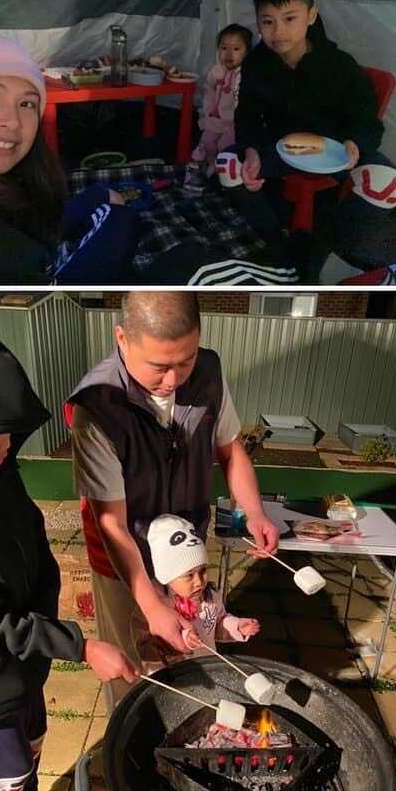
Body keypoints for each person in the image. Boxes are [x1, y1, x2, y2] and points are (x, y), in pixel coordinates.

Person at [0, 323, 139, 791]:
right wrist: (82, 647)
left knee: (33, 748)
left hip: (28, 665)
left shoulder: (0, 470)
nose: (8, 443)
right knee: (9, 780)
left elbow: (35, 546)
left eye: (9, 428)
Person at [67, 291, 278, 711]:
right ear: (122, 338)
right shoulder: (97, 407)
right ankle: (127, 748)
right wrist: (150, 600)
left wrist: (252, 510)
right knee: (136, 668)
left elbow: (231, 449)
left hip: (187, 550)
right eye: (160, 366)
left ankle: (189, 724)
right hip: (123, 562)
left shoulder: (209, 372)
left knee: (191, 651)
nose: (174, 380)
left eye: (186, 360)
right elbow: (112, 522)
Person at [227, 0, 396, 270]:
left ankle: (325, 243)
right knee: (226, 166)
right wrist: (252, 149)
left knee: (389, 182)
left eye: (289, 18)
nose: (278, 31)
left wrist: (355, 143)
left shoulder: (338, 65)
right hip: (280, 148)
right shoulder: (258, 64)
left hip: (335, 152)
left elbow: (366, 120)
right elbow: (246, 114)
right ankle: (277, 238)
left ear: (311, 16)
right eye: (267, 21)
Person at [0, 33, 140, 285]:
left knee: (106, 201)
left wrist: (100, 198)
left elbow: (36, 220)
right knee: (126, 222)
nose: (12, 120)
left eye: (27, 104)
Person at [136, 514, 260, 672]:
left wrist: (236, 626)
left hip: (208, 666)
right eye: (189, 575)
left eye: (203, 571)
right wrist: (184, 638)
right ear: (167, 575)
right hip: (178, 675)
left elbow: (217, 623)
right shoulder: (162, 607)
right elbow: (155, 646)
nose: (199, 581)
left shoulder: (210, 598)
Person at [184, 24, 252, 192]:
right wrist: (206, 115)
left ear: (246, 51)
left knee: (225, 146)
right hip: (216, 118)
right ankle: (210, 167)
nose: (229, 54)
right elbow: (209, 93)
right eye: (223, 48)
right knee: (206, 142)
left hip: (233, 123)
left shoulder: (245, 74)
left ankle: (221, 178)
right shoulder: (216, 71)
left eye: (236, 49)